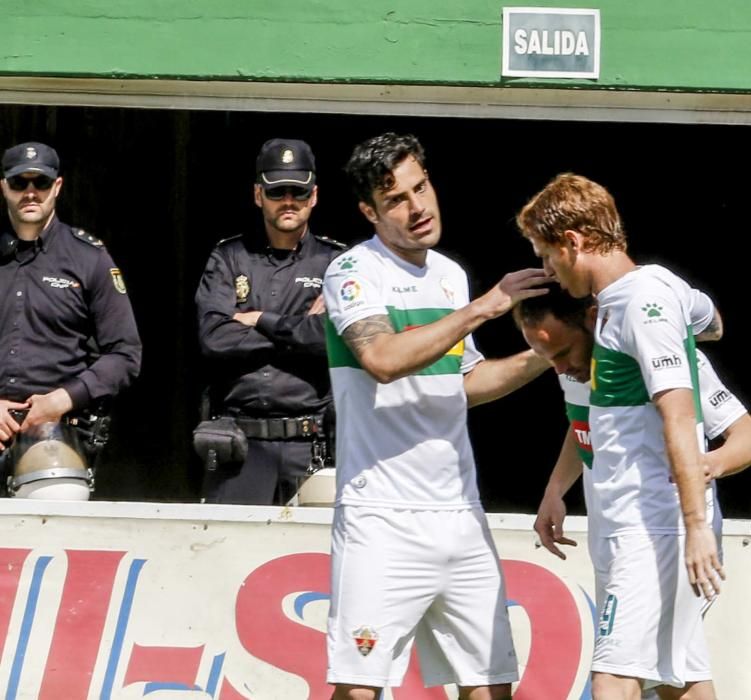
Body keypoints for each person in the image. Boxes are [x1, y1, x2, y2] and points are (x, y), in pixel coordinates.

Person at [322, 132, 550, 700]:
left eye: (420, 187)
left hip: (460, 513)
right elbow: (381, 359)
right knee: (358, 690)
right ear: (369, 212)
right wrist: (483, 308)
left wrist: (551, 352)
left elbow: (466, 383)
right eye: (396, 199)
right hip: (383, 515)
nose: (417, 206)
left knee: (491, 687)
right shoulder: (352, 272)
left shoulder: (450, 274)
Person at [517, 173, 727, 700]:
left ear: (575, 241)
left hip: (652, 524)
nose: (549, 271)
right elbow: (713, 322)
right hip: (634, 523)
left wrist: (696, 525)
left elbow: (679, 414)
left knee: (612, 675)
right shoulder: (636, 297)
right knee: (679, 678)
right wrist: (554, 490)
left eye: (547, 256)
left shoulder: (642, 300)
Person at [513, 286, 751, 566]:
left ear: (592, 322)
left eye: (564, 352)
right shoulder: (574, 370)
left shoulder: (661, 361)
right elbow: (585, 427)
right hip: (609, 540)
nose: (560, 368)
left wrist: (706, 465)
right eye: (550, 358)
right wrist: (554, 490)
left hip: (667, 538)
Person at [195, 138, 345, 505]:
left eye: (298, 191)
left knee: (316, 559)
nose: (289, 200)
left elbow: (334, 339)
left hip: (313, 445)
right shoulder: (230, 256)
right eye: (278, 192)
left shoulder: (337, 262)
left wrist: (260, 320)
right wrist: (299, 329)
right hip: (240, 447)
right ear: (259, 195)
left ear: (314, 196)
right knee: (227, 556)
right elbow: (214, 337)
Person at [0, 141, 142, 494]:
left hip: (58, 437)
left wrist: (62, 399)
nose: (30, 193)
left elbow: (125, 354)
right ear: (4, 186)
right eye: (19, 183)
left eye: (41, 183)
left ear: (57, 187)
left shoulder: (89, 258)